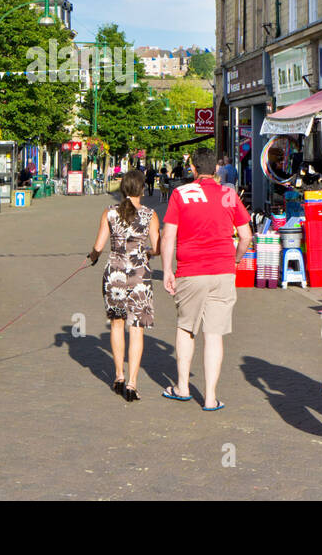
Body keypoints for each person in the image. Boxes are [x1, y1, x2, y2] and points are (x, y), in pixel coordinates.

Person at [161, 147, 252, 411]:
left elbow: (168, 236)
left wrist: (168, 269)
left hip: (191, 269)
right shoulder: (229, 194)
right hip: (223, 269)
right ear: (216, 170)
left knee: (186, 327)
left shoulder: (180, 194)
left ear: (193, 169)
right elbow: (246, 236)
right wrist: (235, 259)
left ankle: (182, 386)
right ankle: (211, 397)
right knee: (214, 334)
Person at [88, 169, 160, 402]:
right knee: (136, 329)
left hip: (115, 275)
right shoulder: (150, 215)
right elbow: (157, 248)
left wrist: (92, 257)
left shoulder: (109, 214)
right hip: (139, 275)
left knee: (117, 325)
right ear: (141, 189)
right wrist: (146, 252)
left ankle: (118, 376)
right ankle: (132, 383)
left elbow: (99, 246)